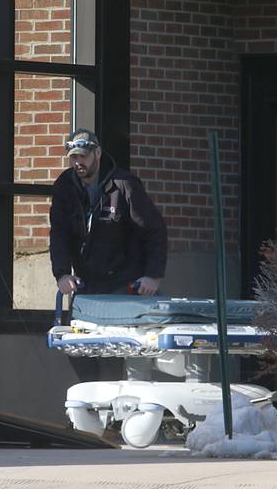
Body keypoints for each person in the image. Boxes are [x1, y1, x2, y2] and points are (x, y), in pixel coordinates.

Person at [50, 128, 168, 380]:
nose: (78, 162)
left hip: (122, 282)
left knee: (114, 351)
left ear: (98, 154)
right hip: (87, 283)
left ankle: (119, 408)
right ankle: (92, 403)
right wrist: (62, 274)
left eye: (83, 156)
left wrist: (153, 276)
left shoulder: (124, 186)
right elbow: (59, 234)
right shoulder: (64, 186)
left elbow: (154, 230)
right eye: (73, 157)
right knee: (78, 347)